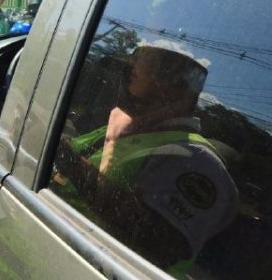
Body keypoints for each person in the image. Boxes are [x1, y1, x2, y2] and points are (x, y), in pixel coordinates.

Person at [52, 46, 238, 277]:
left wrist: (67, 159)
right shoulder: (128, 130)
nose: (126, 73)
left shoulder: (197, 161)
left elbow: (158, 244)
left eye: (135, 69)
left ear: (168, 87)